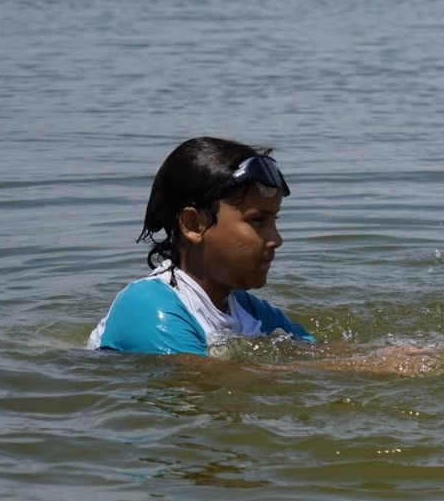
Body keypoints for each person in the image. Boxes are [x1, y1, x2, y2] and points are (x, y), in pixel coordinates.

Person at [88, 137, 314, 355]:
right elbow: (203, 381)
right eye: (257, 220)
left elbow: (322, 355)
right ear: (193, 225)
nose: (277, 239)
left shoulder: (250, 311)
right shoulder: (148, 307)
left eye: (275, 220)